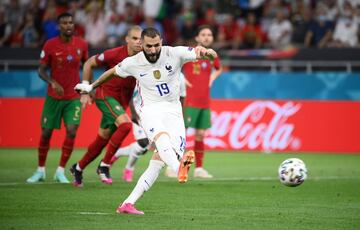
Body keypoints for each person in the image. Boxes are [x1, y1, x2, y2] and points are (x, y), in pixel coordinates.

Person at [74, 27, 217, 214]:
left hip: (174, 112)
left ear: (162, 41)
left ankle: (127, 204)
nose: (153, 50)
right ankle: (178, 166)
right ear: (142, 44)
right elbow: (111, 72)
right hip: (151, 110)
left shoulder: (174, 53)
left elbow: (208, 55)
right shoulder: (133, 62)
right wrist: (90, 86)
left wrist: (206, 52)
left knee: (157, 162)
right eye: (149, 46)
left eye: (157, 45)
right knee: (162, 138)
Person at [70, 25, 148, 187]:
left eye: (141, 39)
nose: (138, 42)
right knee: (125, 126)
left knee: (102, 140)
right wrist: (86, 90)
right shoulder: (114, 54)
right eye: (134, 38)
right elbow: (89, 63)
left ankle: (78, 168)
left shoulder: (144, 58)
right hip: (105, 96)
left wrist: (133, 111)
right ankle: (104, 165)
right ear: (127, 39)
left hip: (122, 102)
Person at [26, 13, 88, 183]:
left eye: (70, 23)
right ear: (59, 26)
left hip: (73, 97)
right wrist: (52, 82)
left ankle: (60, 171)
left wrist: (86, 89)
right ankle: (40, 171)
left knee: (72, 131)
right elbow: (41, 70)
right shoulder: (50, 44)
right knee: (46, 133)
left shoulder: (81, 44)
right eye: (64, 23)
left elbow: (87, 65)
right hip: (54, 97)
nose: (68, 25)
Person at [183, 25, 222, 178]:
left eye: (209, 35)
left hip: (204, 101)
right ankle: (176, 167)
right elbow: (173, 66)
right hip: (189, 101)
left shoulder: (212, 56)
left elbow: (219, 68)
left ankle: (199, 169)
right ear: (197, 38)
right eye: (203, 34)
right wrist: (181, 79)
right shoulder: (189, 53)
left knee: (200, 135)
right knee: (182, 135)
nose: (206, 37)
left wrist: (212, 78)